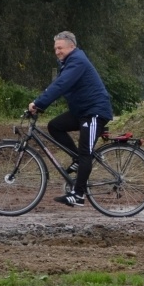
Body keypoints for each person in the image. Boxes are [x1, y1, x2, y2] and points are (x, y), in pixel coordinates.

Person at [28, 31, 113, 207]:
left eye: (60, 47)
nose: (57, 51)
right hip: (82, 111)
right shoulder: (68, 63)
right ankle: (77, 159)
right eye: (55, 48)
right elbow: (57, 86)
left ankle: (79, 194)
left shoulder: (77, 61)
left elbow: (61, 85)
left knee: (85, 153)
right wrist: (41, 103)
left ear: (71, 47)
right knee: (55, 126)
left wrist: (39, 103)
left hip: (94, 112)